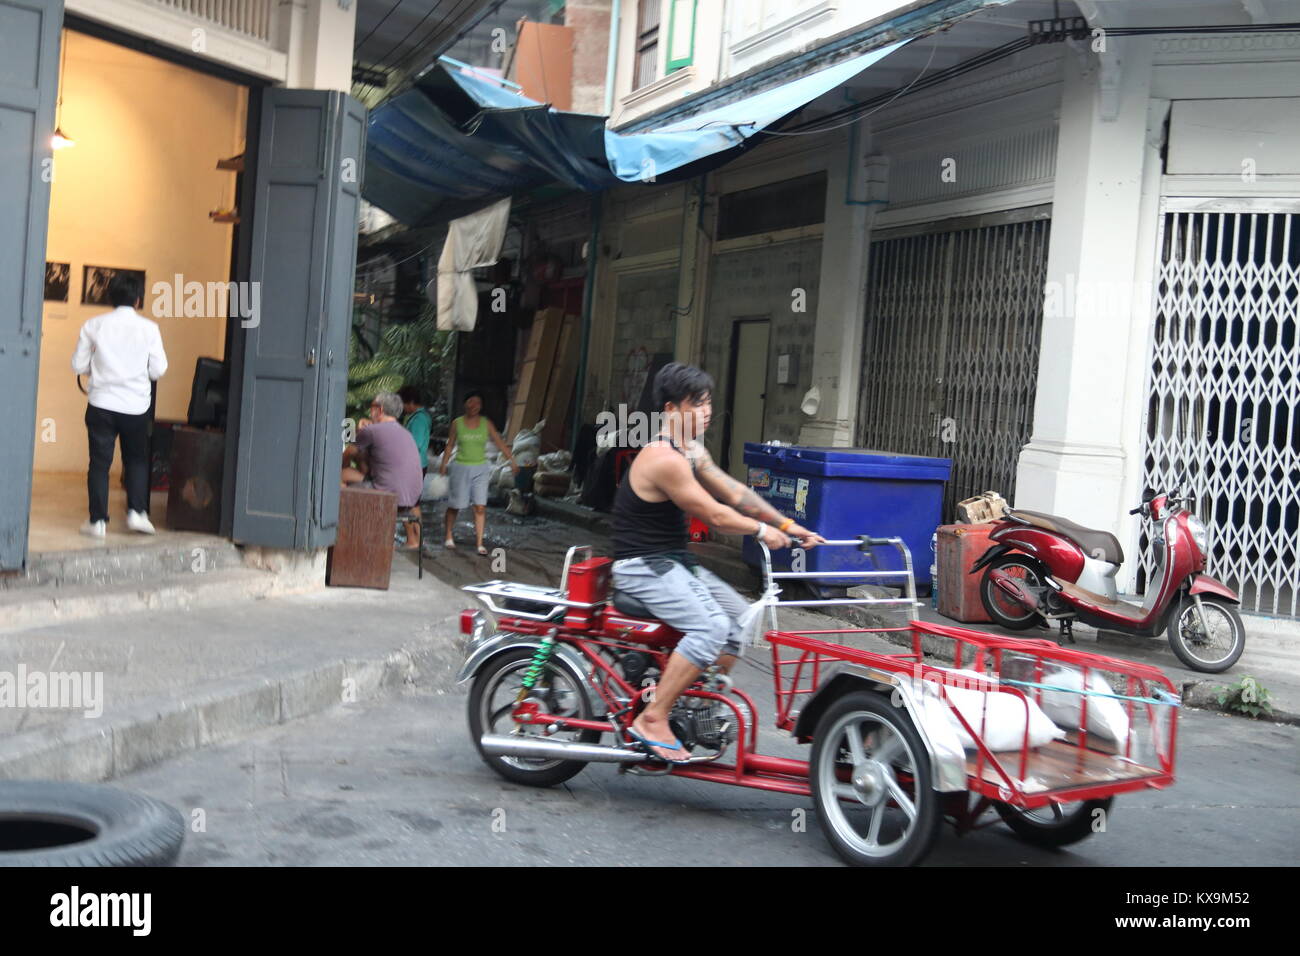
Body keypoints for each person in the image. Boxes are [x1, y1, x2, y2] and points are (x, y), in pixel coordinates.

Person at [611, 362, 825, 764]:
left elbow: (734, 492)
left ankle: (697, 700)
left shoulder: (691, 450)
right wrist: (762, 533)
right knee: (710, 627)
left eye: (709, 402)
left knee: (740, 618)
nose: (707, 411)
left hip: (672, 562)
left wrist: (786, 523)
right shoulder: (663, 458)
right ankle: (653, 717)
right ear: (672, 409)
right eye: (698, 403)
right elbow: (715, 515)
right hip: (643, 565)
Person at [71, 273, 168, 538]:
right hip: (135, 407)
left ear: (110, 297)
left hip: (101, 404)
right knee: (136, 460)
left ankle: (97, 522)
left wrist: (99, 368)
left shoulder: (93, 325)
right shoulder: (150, 329)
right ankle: (137, 514)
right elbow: (159, 369)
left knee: (99, 464)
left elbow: (78, 366)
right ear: (138, 300)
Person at [439, 392, 518, 555]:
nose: (474, 406)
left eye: (477, 403)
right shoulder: (457, 423)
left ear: (481, 406)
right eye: (471, 402)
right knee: (455, 505)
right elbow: (449, 445)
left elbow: (499, 442)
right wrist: (444, 463)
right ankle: (448, 535)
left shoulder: (486, 423)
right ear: (465, 404)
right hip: (460, 467)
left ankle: (479, 543)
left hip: (481, 469)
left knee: (480, 506)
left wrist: (513, 460)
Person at [342, 393, 424, 542]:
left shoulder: (372, 431)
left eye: (371, 407)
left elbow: (347, 455)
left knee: (342, 475)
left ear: (379, 410)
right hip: (412, 498)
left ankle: (343, 530)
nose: (369, 411)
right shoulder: (405, 432)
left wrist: (360, 431)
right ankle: (413, 541)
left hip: (387, 494)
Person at [398, 385, 433, 472]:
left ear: (411, 402)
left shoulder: (419, 419)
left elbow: (416, 444)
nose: (402, 408)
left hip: (414, 464)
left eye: (403, 404)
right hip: (417, 463)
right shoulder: (420, 415)